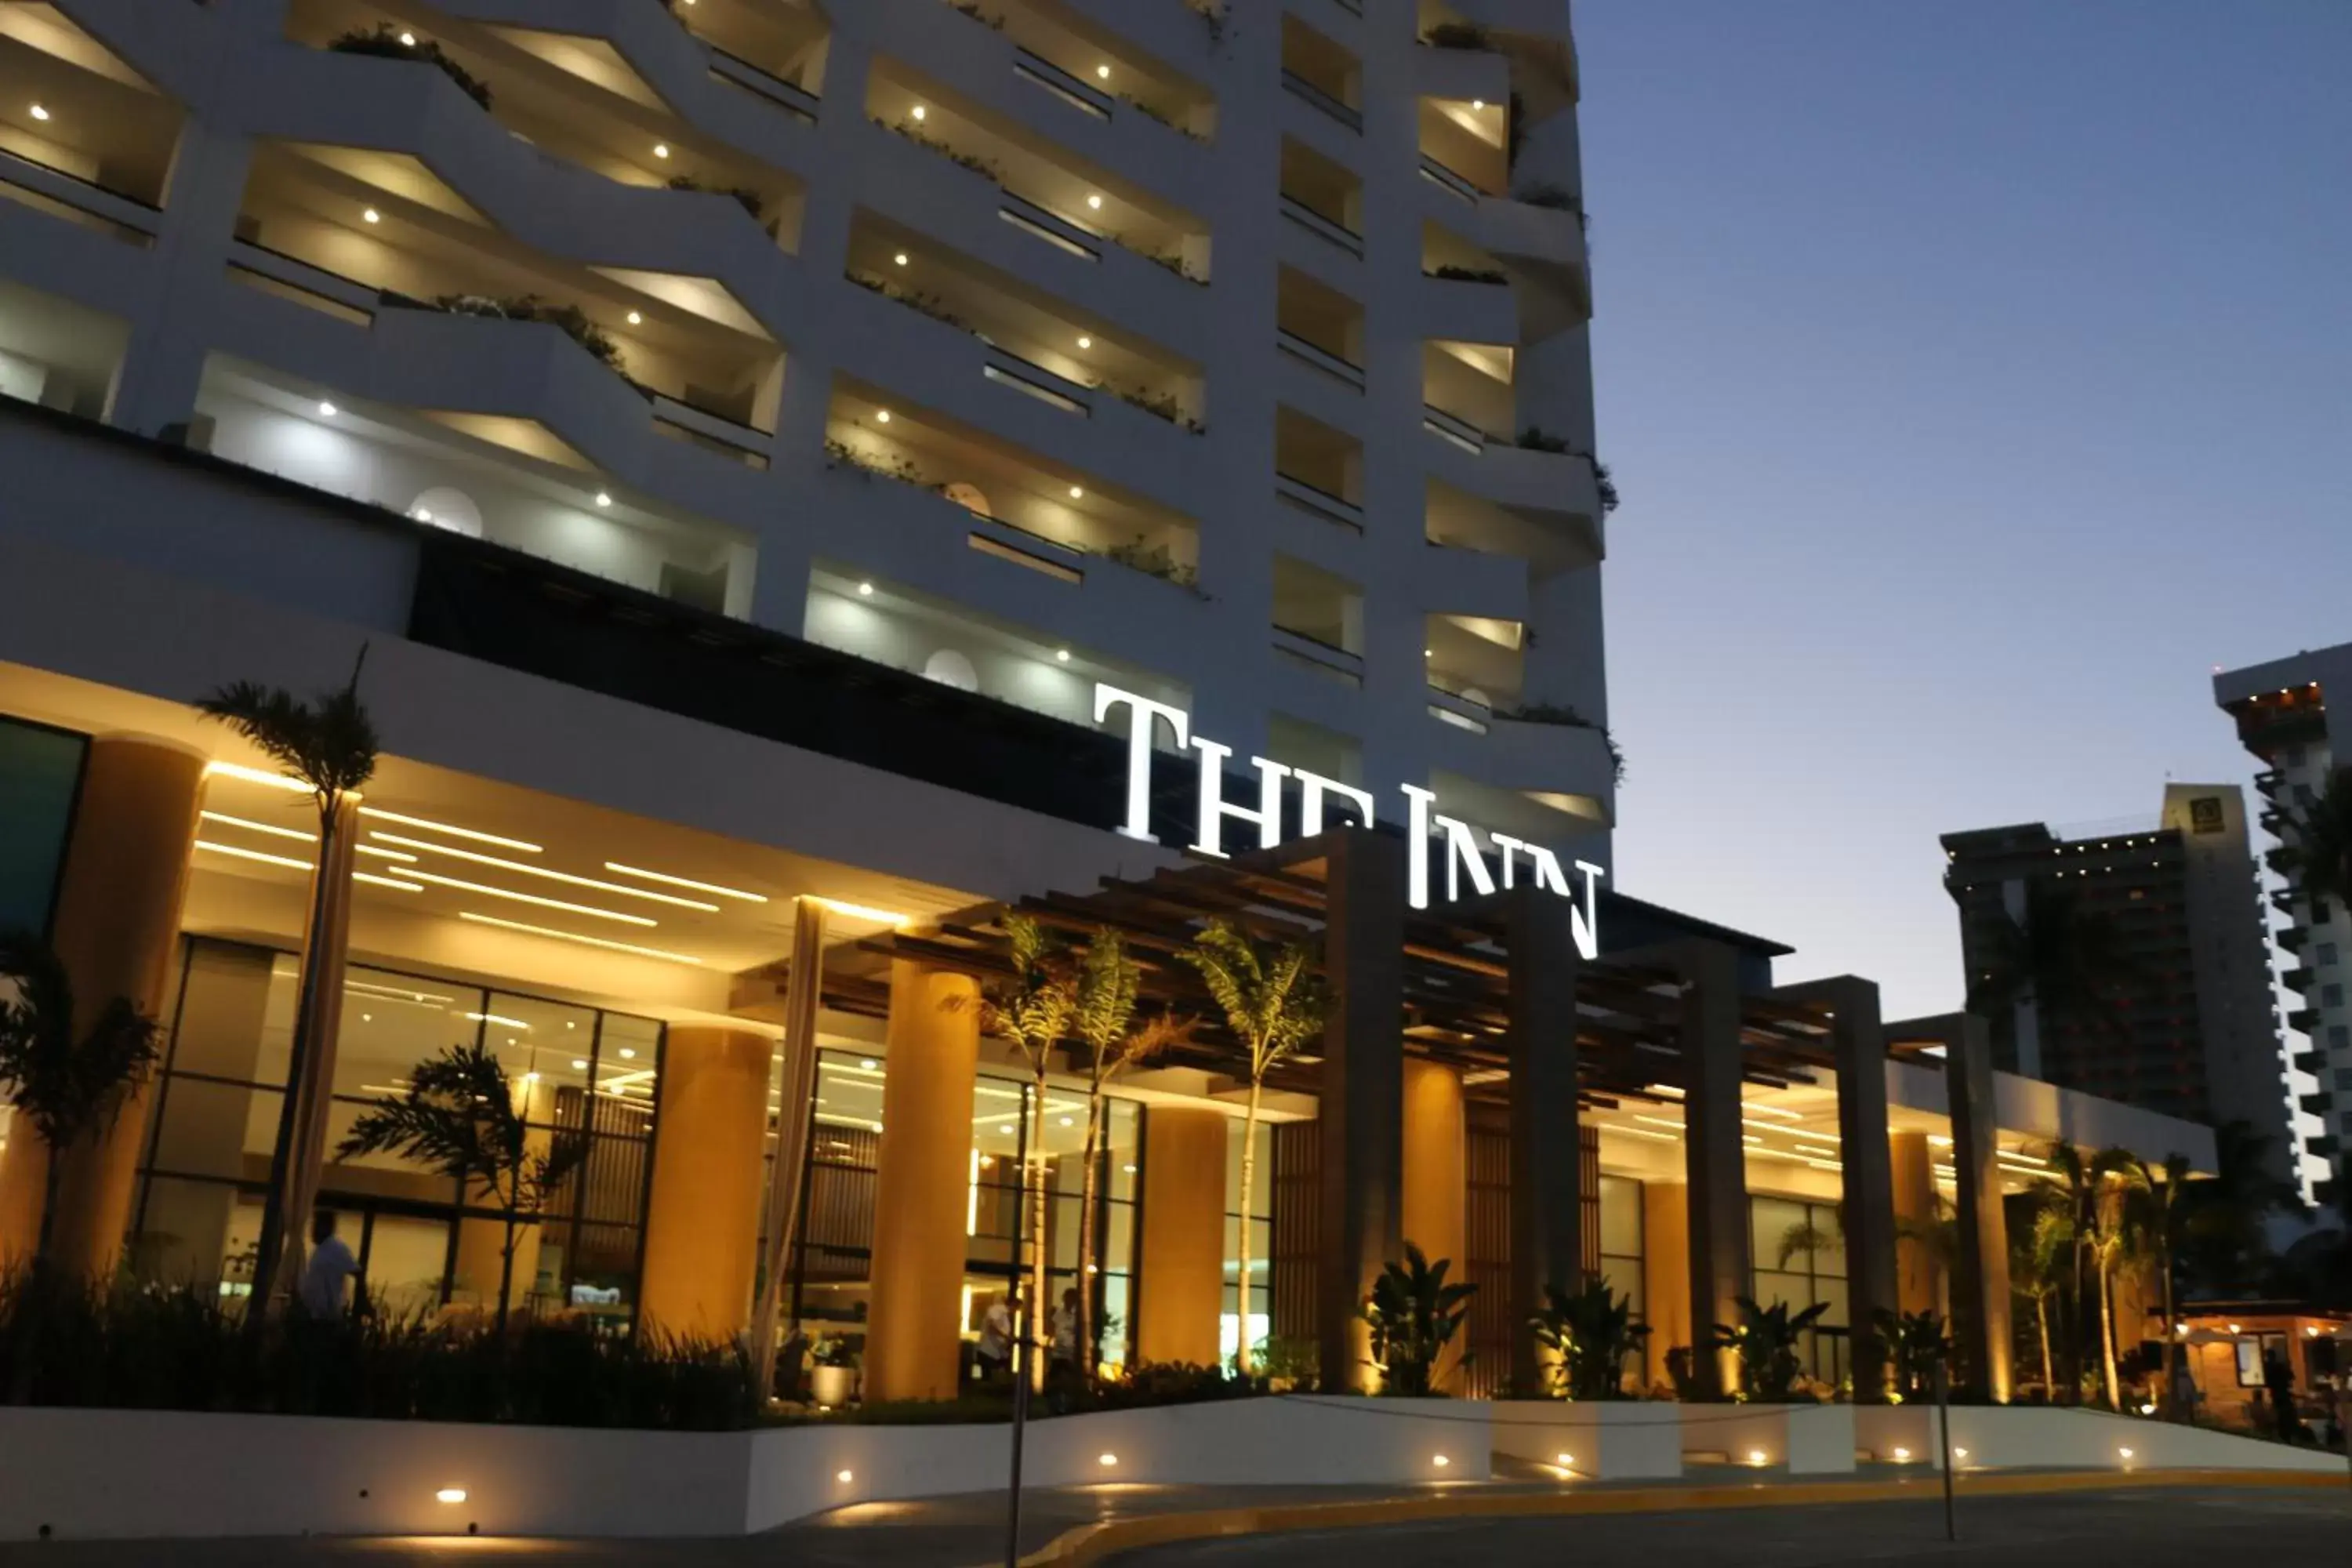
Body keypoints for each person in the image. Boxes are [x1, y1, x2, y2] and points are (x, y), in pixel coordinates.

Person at [296, 1211, 358, 1320]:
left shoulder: (337, 1248)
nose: (311, 1230)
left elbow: (357, 1272)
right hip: (313, 1315)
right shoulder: (319, 1250)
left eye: (315, 1225)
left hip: (326, 1317)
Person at [2262, 1347, 2300, 1443]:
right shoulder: (2279, 1367)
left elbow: (2268, 1381)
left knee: (2282, 1415)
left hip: (2278, 1395)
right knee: (2285, 1415)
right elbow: (2291, 1377)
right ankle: (2287, 1434)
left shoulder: (2269, 1367)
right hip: (2282, 1395)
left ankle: (2284, 1434)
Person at [976, 1291, 1014, 1381]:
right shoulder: (997, 1310)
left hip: (997, 1349)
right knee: (989, 1375)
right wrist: (1006, 1336)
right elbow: (992, 1325)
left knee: (997, 1372)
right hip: (989, 1350)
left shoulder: (1004, 1314)